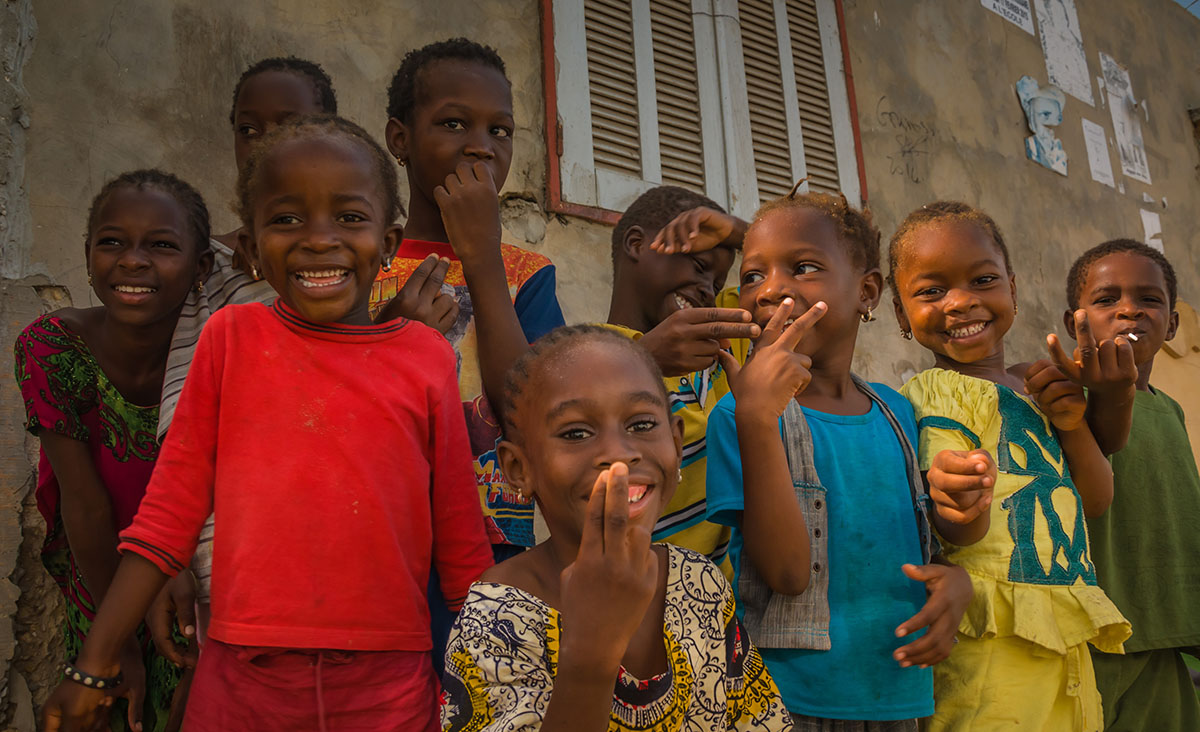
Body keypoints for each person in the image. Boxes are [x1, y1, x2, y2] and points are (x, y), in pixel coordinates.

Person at [41, 115, 493, 732]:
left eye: (349, 217)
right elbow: (168, 515)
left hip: (386, 688)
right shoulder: (232, 338)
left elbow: (460, 539)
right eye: (287, 219)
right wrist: (94, 665)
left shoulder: (425, 357)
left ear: (387, 242)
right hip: (241, 682)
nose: (319, 240)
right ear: (252, 251)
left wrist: (494, 676)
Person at [693, 186, 978, 730]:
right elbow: (786, 574)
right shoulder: (739, 416)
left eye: (803, 267)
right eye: (752, 276)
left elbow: (914, 541)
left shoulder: (899, 413)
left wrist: (956, 583)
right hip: (786, 702)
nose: (771, 289)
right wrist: (758, 418)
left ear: (867, 292)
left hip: (899, 694)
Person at [440, 325, 793, 731]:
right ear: (519, 468)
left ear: (677, 444)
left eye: (641, 425)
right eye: (576, 433)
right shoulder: (496, 620)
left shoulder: (700, 584)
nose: (619, 454)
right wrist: (592, 652)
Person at [889, 201, 1132, 731]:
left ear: (1014, 290)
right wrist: (959, 498)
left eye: (983, 280)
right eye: (931, 291)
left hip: (1063, 627)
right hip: (991, 639)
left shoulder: (1034, 385)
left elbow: (1096, 500)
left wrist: (1071, 423)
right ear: (901, 315)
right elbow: (960, 531)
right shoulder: (937, 393)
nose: (960, 302)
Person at [147, 57, 338, 664]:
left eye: (287, 125)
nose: (263, 144)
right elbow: (182, 429)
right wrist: (171, 554)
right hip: (231, 559)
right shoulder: (210, 271)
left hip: (345, 559)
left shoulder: (356, 260)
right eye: (248, 129)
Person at [14, 169, 214, 732]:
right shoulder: (53, 347)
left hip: (200, 572)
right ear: (87, 256)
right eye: (112, 242)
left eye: (162, 245)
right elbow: (84, 505)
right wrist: (115, 645)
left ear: (202, 268)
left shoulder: (223, 348)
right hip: (100, 566)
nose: (132, 260)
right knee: (108, 704)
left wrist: (175, 565)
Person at [371, 37, 565, 556]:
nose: (482, 145)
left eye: (499, 130)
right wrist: (390, 336)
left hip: (493, 554)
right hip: (376, 540)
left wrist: (481, 258)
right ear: (400, 139)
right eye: (454, 123)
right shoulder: (362, 263)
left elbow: (531, 412)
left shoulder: (528, 275)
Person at [1063, 240, 1200, 730]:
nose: (1129, 310)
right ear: (1073, 323)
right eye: (1107, 299)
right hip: (1091, 635)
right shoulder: (1064, 402)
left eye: (1149, 299)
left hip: (1164, 634)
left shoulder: (1171, 411)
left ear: (1173, 324)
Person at [603, 185, 759, 573]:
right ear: (637, 244)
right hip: (638, 593)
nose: (708, 290)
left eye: (718, 284)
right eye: (700, 267)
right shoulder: (587, 356)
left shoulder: (724, 339)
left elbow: (795, 266)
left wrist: (735, 230)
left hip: (726, 601)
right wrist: (643, 361)